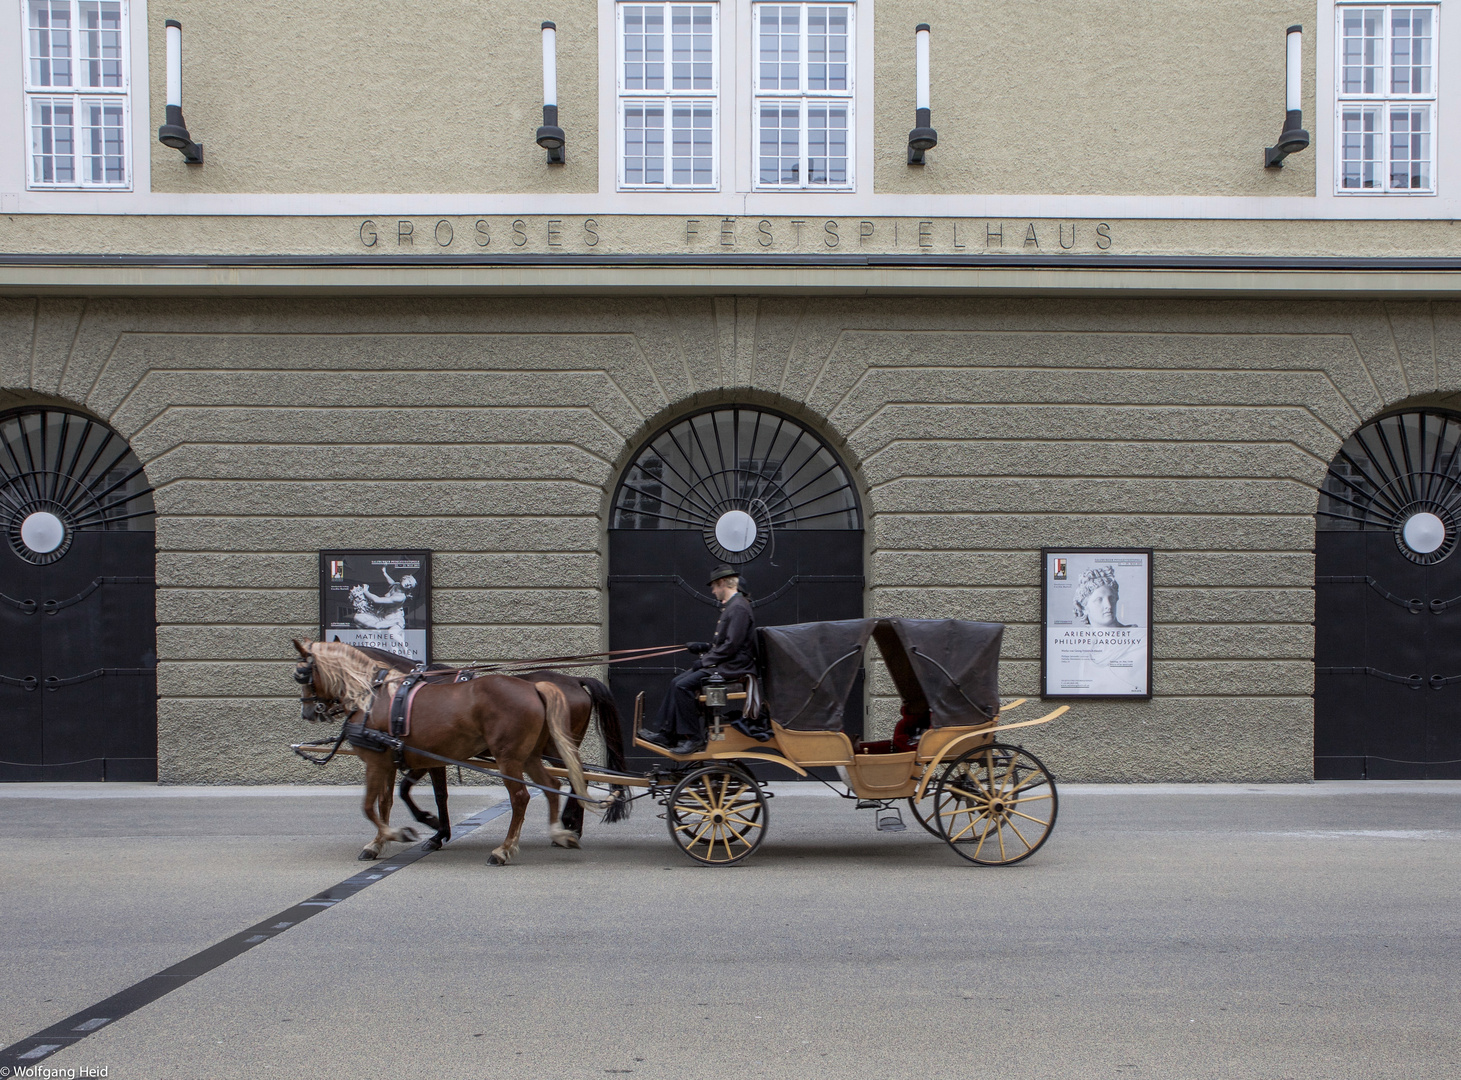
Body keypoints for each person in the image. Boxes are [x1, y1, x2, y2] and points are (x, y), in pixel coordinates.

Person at [641, 565, 757, 755]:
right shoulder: (734, 606)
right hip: (727, 663)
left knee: (682, 686)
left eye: (714, 586)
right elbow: (727, 644)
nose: (713, 591)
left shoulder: (738, 608)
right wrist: (704, 647)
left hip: (734, 667)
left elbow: (731, 646)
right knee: (676, 681)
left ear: (722, 584)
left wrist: (704, 661)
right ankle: (667, 734)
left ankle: (694, 738)